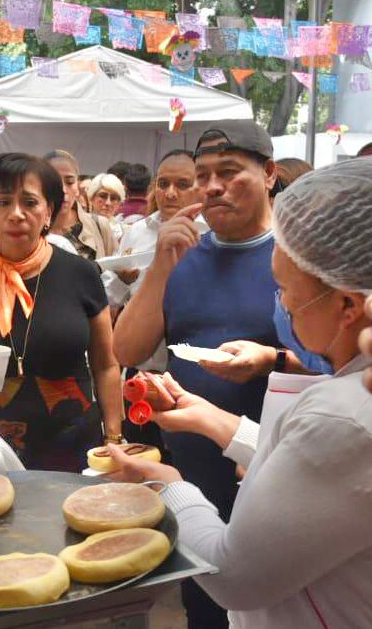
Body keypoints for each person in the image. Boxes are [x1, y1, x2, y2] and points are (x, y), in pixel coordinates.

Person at [106, 158, 372, 629]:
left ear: (348, 305)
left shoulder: (344, 414)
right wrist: (207, 417)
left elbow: (231, 577)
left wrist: (168, 485)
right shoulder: (349, 395)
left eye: (286, 292)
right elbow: (311, 465)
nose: (281, 307)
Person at [113, 120, 296, 629]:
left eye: (229, 172)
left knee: (272, 604)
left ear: (269, 174)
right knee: (204, 605)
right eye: (203, 176)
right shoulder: (184, 254)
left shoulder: (296, 255)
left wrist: (271, 358)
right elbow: (127, 348)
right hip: (193, 467)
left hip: (274, 465)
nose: (212, 187)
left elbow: (342, 361)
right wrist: (161, 264)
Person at [0, 154, 124, 470]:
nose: (16, 214)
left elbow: (106, 365)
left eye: (30, 202)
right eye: (3, 202)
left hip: (72, 444)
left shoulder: (81, 274)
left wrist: (114, 438)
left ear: (48, 211)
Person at [103, 150, 206, 371]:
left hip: (195, 373)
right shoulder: (137, 232)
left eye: (182, 184)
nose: (170, 193)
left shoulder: (213, 235)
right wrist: (122, 280)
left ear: (202, 186)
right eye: (163, 184)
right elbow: (109, 298)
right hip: (141, 372)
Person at [46, 150, 118, 262]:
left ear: (77, 187)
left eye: (70, 182)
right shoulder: (31, 228)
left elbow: (116, 267)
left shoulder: (99, 225)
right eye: (54, 182)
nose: (63, 190)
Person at [87, 173, 127, 241]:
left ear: (119, 204)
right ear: (91, 198)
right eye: (102, 196)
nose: (108, 203)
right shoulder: (80, 227)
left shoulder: (126, 233)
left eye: (113, 198)